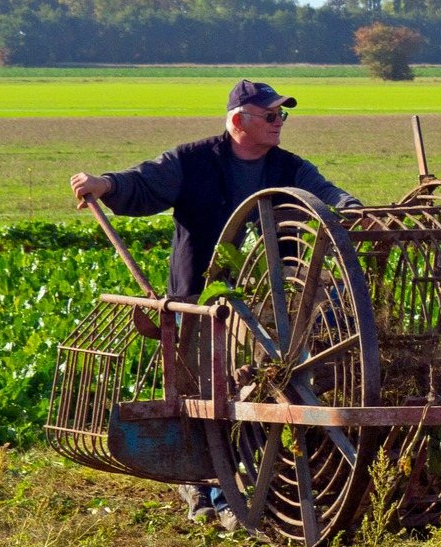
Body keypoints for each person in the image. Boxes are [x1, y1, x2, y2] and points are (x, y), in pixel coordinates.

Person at [71, 79, 362, 524]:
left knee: (255, 391)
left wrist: (355, 210)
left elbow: (328, 196)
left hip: (270, 307)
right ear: (237, 121)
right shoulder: (191, 161)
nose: (279, 122)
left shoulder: (290, 168)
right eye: (270, 115)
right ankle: (206, 494)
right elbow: (143, 184)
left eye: (282, 115)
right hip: (202, 299)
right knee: (204, 395)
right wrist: (105, 184)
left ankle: (237, 491)